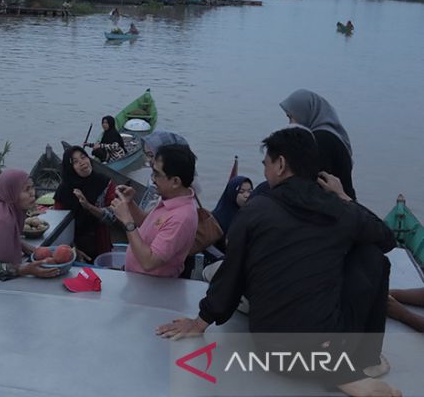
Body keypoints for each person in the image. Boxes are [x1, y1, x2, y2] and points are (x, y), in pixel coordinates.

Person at [156, 127, 399, 397]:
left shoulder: (255, 210)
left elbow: (232, 273)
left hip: (271, 350)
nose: (266, 172)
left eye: (267, 164)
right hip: (328, 346)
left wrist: (200, 321)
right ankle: (366, 359)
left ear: (281, 164)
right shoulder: (339, 210)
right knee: (371, 255)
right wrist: (344, 197)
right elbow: (386, 239)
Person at [110, 144, 198, 278]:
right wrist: (130, 203)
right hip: (136, 279)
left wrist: (127, 221)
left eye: (157, 174)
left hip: (151, 287)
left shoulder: (182, 218)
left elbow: (149, 262)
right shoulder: (169, 198)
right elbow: (146, 223)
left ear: (175, 181)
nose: (152, 179)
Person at [0, 169, 60, 280]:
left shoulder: (5, 208)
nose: (33, 193)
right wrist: (22, 270)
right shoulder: (1, 221)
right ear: (11, 193)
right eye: (27, 189)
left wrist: (22, 245)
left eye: (32, 187)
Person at [280, 89, 355, 199]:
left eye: (291, 117)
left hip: (335, 208)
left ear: (304, 113)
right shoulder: (332, 135)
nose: (290, 124)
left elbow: (315, 183)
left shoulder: (320, 140)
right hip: (345, 206)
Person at [54, 146, 115, 262]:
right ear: (69, 168)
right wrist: (73, 249)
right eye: (75, 162)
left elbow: (113, 217)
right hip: (72, 249)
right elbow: (59, 225)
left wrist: (89, 206)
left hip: (100, 244)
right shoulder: (64, 190)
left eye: (83, 157)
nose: (82, 163)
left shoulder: (104, 183)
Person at [139, 130, 191, 211]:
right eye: (146, 155)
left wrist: (129, 222)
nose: (147, 160)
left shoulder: (174, 188)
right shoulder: (156, 177)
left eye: (151, 155)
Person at [210, 176, 253, 252]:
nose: (247, 195)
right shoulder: (216, 217)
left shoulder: (252, 214)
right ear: (232, 192)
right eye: (241, 191)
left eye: (250, 191)